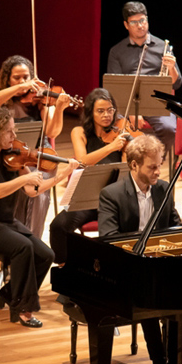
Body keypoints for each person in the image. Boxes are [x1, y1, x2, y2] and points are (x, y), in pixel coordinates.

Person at [0, 106, 79, 327]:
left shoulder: (12, 157)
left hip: (4, 221)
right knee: (23, 247)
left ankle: (9, 293)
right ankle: (23, 308)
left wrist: (62, 174)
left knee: (46, 254)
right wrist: (24, 179)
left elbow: (34, 190)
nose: (14, 137)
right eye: (9, 132)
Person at [97, 134, 181, 364]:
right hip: (125, 268)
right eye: (152, 167)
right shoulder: (111, 194)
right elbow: (110, 238)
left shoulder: (164, 189)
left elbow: (176, 226)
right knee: (148, 300)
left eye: (160, 165)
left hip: (159, 264)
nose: (158, 171)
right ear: (133, 166)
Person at [0, 55, 72, 238]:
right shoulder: (4, 99)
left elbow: (52, 131)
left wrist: (60, 109)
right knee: (15, 181)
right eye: (17, 78)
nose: (23, 81)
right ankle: (12, 238)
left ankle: (32, 240)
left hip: (39, 155)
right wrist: (20, 87)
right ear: (7, 79)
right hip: (9, 155)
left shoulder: (40, 98)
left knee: (36, 185)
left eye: (26, 77)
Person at [49, 88, 129, 264]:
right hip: (87, 200)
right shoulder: (79, 132)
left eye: (110, 110)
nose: (106, 115)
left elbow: (125, 170)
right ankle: (65, 268)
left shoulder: (120, 135)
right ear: (90, 113)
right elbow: (84, 161)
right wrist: (111, 147)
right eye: (100, 111)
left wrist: (127, 149)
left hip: (113, 200)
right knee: (58, 227)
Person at [106, 1, 181, 150]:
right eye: (134, 22)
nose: (140, 25)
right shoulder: (116, 51)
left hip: (156, 103)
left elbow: (176, 83)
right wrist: (132, 112)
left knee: (169, 129)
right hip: (127, 106)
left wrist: (172, 68)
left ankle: (154, 163)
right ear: (126, 25)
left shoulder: (162, 47)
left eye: (143, 20)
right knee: (118, 130)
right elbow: (115, 89)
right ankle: (133, 168)